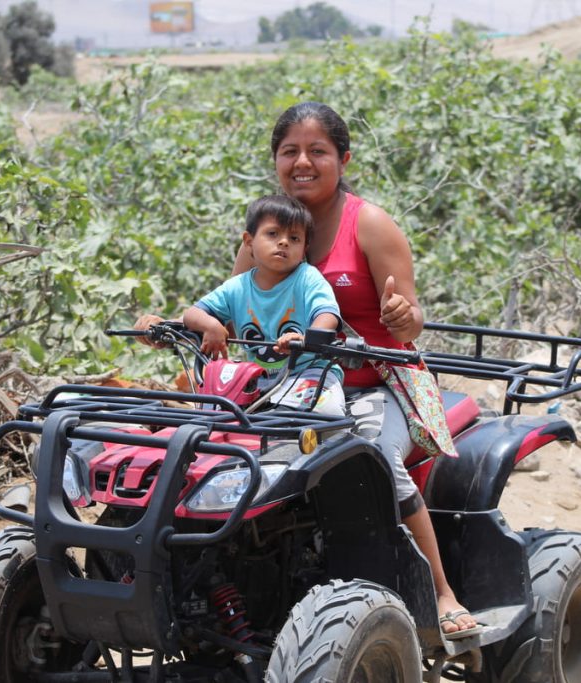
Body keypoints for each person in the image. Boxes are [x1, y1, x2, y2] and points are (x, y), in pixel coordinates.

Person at [137, 101, 478, 637]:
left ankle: (440, 591)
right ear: (275, 161)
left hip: (375, 385)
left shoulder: (369, 224)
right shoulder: (262, 235)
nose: (303, 162)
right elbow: (234, 309)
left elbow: (411, 325)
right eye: (289, 151)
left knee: (375, 458)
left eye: (317, 151)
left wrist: (400, 315)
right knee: (210, 453)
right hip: (287, 386)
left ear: (343, 158)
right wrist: (188, 326)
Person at [182, 194, 345, 415]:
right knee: (210, 413)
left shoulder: (308, 278)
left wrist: (307, 338)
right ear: (249, 241)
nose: (284, 242)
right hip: (257, 376)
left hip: (309, 372)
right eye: (272, 234)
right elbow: (192, 313)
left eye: (294, 238)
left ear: (305, 247)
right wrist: (211, 326)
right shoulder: (237, 287)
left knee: (326, 412)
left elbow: (327, 314)